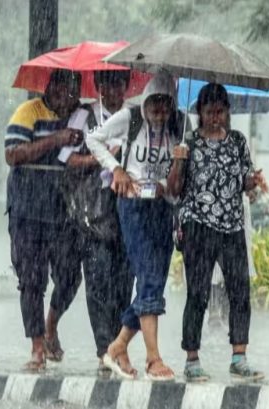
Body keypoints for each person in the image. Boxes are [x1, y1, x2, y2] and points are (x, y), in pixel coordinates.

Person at [86, 71, 184, 381]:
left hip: (163, 209)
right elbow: (94, 139)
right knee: (149, 279)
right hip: (132, 206)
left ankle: (117, 346)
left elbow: (176, 184)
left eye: (166, 103)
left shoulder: (181, 126)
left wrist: (178, 164)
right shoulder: (129, 118)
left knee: (150, 282)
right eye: (154, 101)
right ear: (145, 99)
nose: (160, 109)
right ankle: (153, 359)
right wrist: (116, 169)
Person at [167, 83, 268, 382]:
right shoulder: (189, 143)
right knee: (197, 294)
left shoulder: (237, 141)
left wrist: (255, 182)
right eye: (209, 112)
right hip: (198, 225)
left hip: (232, 227)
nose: (215, 118)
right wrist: (179, 160)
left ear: (227, 112)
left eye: (220, 112)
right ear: (199, 112)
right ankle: (192, 359)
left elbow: (244, 181)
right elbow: (175, 190)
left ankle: (239, 356)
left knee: (239, 293)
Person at [4, 69, 84, 371]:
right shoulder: (28, 112)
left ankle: (51, 324)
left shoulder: (81, 116)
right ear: (49, 87)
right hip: (27, 209)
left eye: (72, 87)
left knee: (71, 275)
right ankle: (37, 347)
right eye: (60, 85)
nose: (66, 92)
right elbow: (12, 154)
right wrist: (56, 139)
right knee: (31, 280)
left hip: (64, 209)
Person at [58, 70, 134, 375]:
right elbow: (66, 160)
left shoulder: (135, 119)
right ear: (99, 86)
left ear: (127, 86)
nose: (113, 89)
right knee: (98, 280)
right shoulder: (84, 116)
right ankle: (104, 348)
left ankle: (118, 345)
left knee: (123, 282)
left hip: (127, 210)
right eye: (107, 83)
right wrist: (102, 159)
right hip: (92, 212)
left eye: (119, 83)